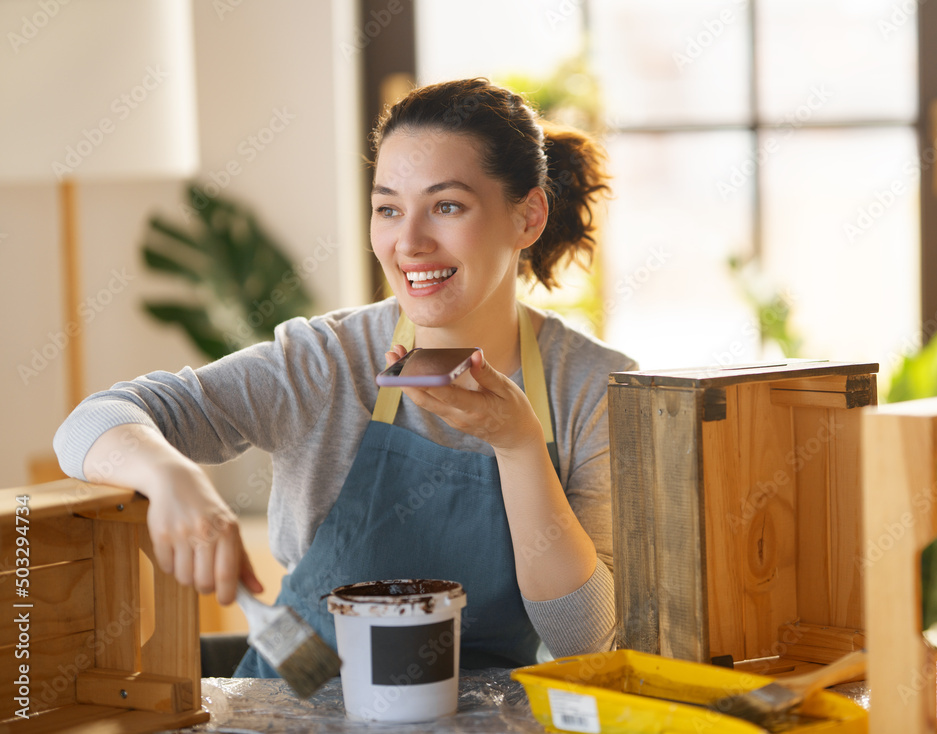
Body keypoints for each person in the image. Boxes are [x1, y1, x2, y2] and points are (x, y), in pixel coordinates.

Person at [54, 77, 638, 672]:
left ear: (529, 216)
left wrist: (518, 445)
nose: (408, 242)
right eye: (387, 208)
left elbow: (585, 640)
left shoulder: (594, 387)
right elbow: (89, 424)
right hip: (299, 702)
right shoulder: (325, 360)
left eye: (447, 206)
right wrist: (172, 478)